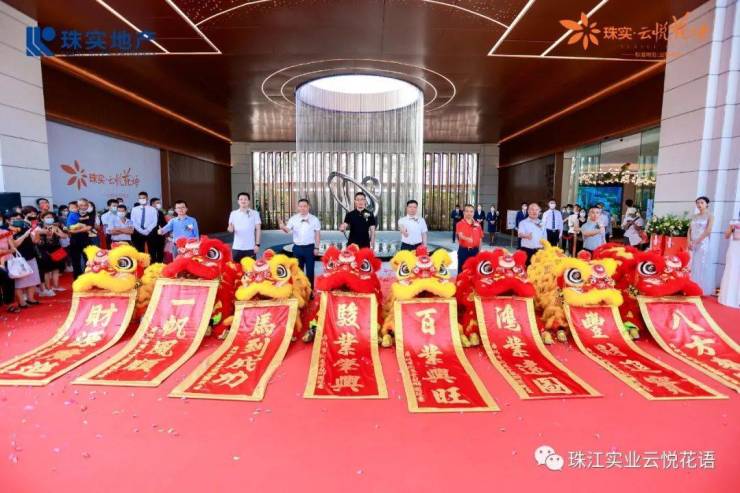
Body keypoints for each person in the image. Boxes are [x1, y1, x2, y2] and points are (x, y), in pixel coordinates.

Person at [278, 198, 321, 287]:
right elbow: (287, 230)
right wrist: (282, 227)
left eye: (304, 206)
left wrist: (316, 247)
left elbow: (317, 234)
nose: (302, 208)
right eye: (300, 206)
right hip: (297, 248)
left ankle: (310, 290)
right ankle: (300, 290)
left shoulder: (314, 219)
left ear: (308, 207)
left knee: (310, 271)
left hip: (310, 248)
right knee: (298, 271)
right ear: (298, 207)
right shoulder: (293, 219)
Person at [10, 209, 41, 307]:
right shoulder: (8, 231)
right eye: (14, 219)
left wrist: (36, 231)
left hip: (30, 256)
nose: (17, 220)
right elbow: (14, 245)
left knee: (33, 279)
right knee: (19, 282)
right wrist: (24, 235)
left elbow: (35, 241)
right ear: (9, 220)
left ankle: (31, 299)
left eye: (19, 218)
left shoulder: (26, 227)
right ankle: (22, 302)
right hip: (17, 259)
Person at [33, 211, 68, 295]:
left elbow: (65, 236)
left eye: (51, 217)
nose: (50, 219)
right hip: (44, 250)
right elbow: (35, 241)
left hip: (56, 249)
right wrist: (39, 233)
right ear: (42, 219)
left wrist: (56, 232)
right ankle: (48, 289)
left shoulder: (55, 227)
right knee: (46, 271)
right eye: (47, 217)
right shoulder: (38, 228)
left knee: (56, 268)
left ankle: (56, 286)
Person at [688, 196, 714, 295]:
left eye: (702, 202)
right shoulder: (694, 216)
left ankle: (700, 288)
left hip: (702, 243)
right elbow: (689, 230)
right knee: (691, 264)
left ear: (707, 204)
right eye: (698, 203)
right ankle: (691, 287)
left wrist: (697, 241)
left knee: (701, 264)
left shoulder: (710, 216)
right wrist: (689, 241)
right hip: (692, 243)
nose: (699, 204)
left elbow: (708, 231)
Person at [228, 192, 261, 262]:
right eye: (241, 199)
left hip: (250, 247)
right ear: (238, 201)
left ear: (249, 201)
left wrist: (257, 245)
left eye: (245, 199)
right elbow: (230, 228)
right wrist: (230, 229)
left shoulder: (255, 213)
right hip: (237, 247)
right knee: (236, 267)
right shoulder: (233, 213)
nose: (243, 201)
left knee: (250, 267)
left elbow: (258, 229)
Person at [68, 198, 95, 279]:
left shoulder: (91, 214)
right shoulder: (73, 213)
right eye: (80, 205)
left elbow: (89, 227)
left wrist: (75, 231)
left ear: (88, 205)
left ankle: (89, 278)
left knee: (88, 260)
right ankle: (77, 279)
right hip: (74, 241)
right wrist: (70, 230)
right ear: (77, 206)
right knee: (75, 261)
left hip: (86, 240)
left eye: (85, 205)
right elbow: (68, 226)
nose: (83, 207)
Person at [130, 191, 160, 261]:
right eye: (140, 198)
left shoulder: (153, 209)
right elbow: (133, 221)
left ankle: (152, 264)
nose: (142, 199)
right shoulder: (134, 209)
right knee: (139, 250)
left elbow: (154, 222)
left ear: (147, 198)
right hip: (138, 232)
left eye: (143, 198)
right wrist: (141, 230)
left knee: (152, 250)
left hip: (150, 232)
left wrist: (148, 230)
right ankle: (141, 265)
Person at [718, 211, 740, 308]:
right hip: (734, 249)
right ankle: (728, 298)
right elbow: (726, 236)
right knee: (731, 270)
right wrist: (731, 228)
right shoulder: (734, 222)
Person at [0, 212, 19, 312]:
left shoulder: (5, 232)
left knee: (8, 279)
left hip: (7, 259)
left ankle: (10, 303)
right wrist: (6, 251)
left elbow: (13, 247)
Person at [456, 204, 483, 271]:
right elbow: (460, 236)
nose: (469, 213)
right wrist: (467, 239)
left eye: (471, 211)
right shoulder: (459, 224)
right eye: (467, 211)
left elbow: (480, 239)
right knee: (461, 271)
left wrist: (479, 251)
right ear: (464, 212)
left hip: (474, 251)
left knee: (474, 271)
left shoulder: (478, 225)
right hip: (463, 251)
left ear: (474, 213)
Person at [150, 197, 167, 262]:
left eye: (159, 203)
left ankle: (160, 265)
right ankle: (153, 265)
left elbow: (164, 223)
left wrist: (163, 229)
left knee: (160, 252)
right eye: (157, 203)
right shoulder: (148, 213)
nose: (159, 204)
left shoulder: (160, 212)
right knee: (152, 252)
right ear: (152, 204)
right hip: (151, 236)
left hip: (161, 236)